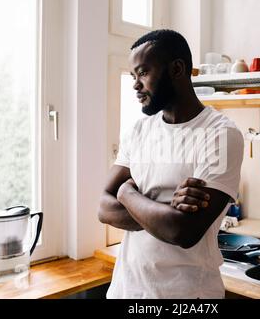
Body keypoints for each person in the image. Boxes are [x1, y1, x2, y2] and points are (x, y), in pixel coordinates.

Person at [98, 29, 244, 299]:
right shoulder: (139, 131)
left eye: (142, 73)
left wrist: (127, 193)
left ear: (177, 69)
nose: (135, 85)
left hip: (188, 295)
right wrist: (163, 212)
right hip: (126, 291)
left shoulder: (221, 134)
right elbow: (103, 208)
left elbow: (182, 231)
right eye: (133, 76)